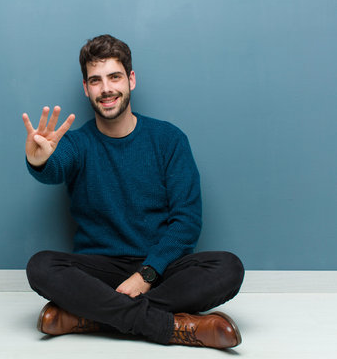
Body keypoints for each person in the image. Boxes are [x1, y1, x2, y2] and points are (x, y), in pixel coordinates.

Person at [21, 34, 244, 349]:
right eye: (95, 80)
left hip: (161, 268)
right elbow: (55, 167)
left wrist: (146, 274)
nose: (106, 88)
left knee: (228, 268)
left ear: (131, 80)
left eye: (114, 77)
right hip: (100, 270)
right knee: (40, 266)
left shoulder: (169, 139)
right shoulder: (76, 143)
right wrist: (38, 159)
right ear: (86, 88)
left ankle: (88, 318)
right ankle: (173, 327)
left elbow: (187, 221)